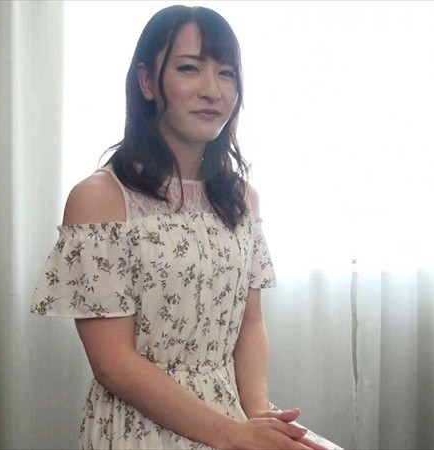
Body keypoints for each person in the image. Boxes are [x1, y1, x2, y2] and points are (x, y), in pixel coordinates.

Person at [31, 6, 333, 449]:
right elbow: (113, 364)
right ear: (147, 82)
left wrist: (258, 416)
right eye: (189, 68)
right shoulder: (101, 198)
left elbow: (250, 326)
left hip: (232, 416)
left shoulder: (242, 198)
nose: (212, 89)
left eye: (226, 73)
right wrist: (231, 434)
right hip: (142, 427)